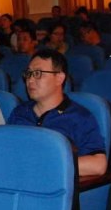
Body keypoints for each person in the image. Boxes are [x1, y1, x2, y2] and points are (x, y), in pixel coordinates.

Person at [7, 49, 106, 177]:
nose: (30, 80)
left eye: (38, 73)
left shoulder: (79, 117)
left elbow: (98, 164)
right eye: (28, 73)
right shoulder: (19, 112)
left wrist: (45, 164)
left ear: (59, 78)